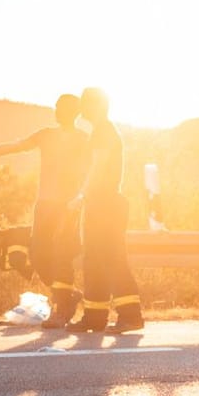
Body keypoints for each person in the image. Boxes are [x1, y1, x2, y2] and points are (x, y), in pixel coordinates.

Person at [0, 94, 91, 327]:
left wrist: (81, 198)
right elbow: (12, 147)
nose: (56, 110)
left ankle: (63, 309)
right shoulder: (46, 135)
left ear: (72, 111)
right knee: (37, 254)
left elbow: (93, 172)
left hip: (68, 207)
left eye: (60, 107)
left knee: (61, 256)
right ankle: (69, 295)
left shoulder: (84, 140)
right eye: (55, 106)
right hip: (44, 205)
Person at [72, 88, 142, 333]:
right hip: (98, 202)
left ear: (95, 106)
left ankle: (131, 316)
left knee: (111, 259)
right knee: (93, 261)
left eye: (84, 103)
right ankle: (94, 316)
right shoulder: (100, 131)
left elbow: (99, 165)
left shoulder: (104, 131)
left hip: (106, 203)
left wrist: (81, 194)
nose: (81, 108)